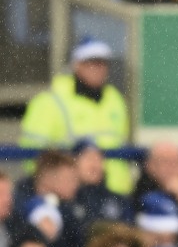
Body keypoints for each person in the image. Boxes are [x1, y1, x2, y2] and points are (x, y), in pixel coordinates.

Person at [19, 38, 132, 195]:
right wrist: (48, 188)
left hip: (114, 194)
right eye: (92, 63)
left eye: (103, 63)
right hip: (69, 195)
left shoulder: (116, 100)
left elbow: (122, 147)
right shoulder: (50, 101)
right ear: (77, 65)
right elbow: (32, 154)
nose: (99, 68)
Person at [133, 141, 178, 246]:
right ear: (149, 165)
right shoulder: (140, 191)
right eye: (165, 161)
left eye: (176, 162)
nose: (171, 167)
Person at [72, 139, 134, 229]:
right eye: (88, 158)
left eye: (98, 158)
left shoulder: (119, 200)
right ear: (74, 163)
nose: (94, 164)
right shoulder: (67, 200)